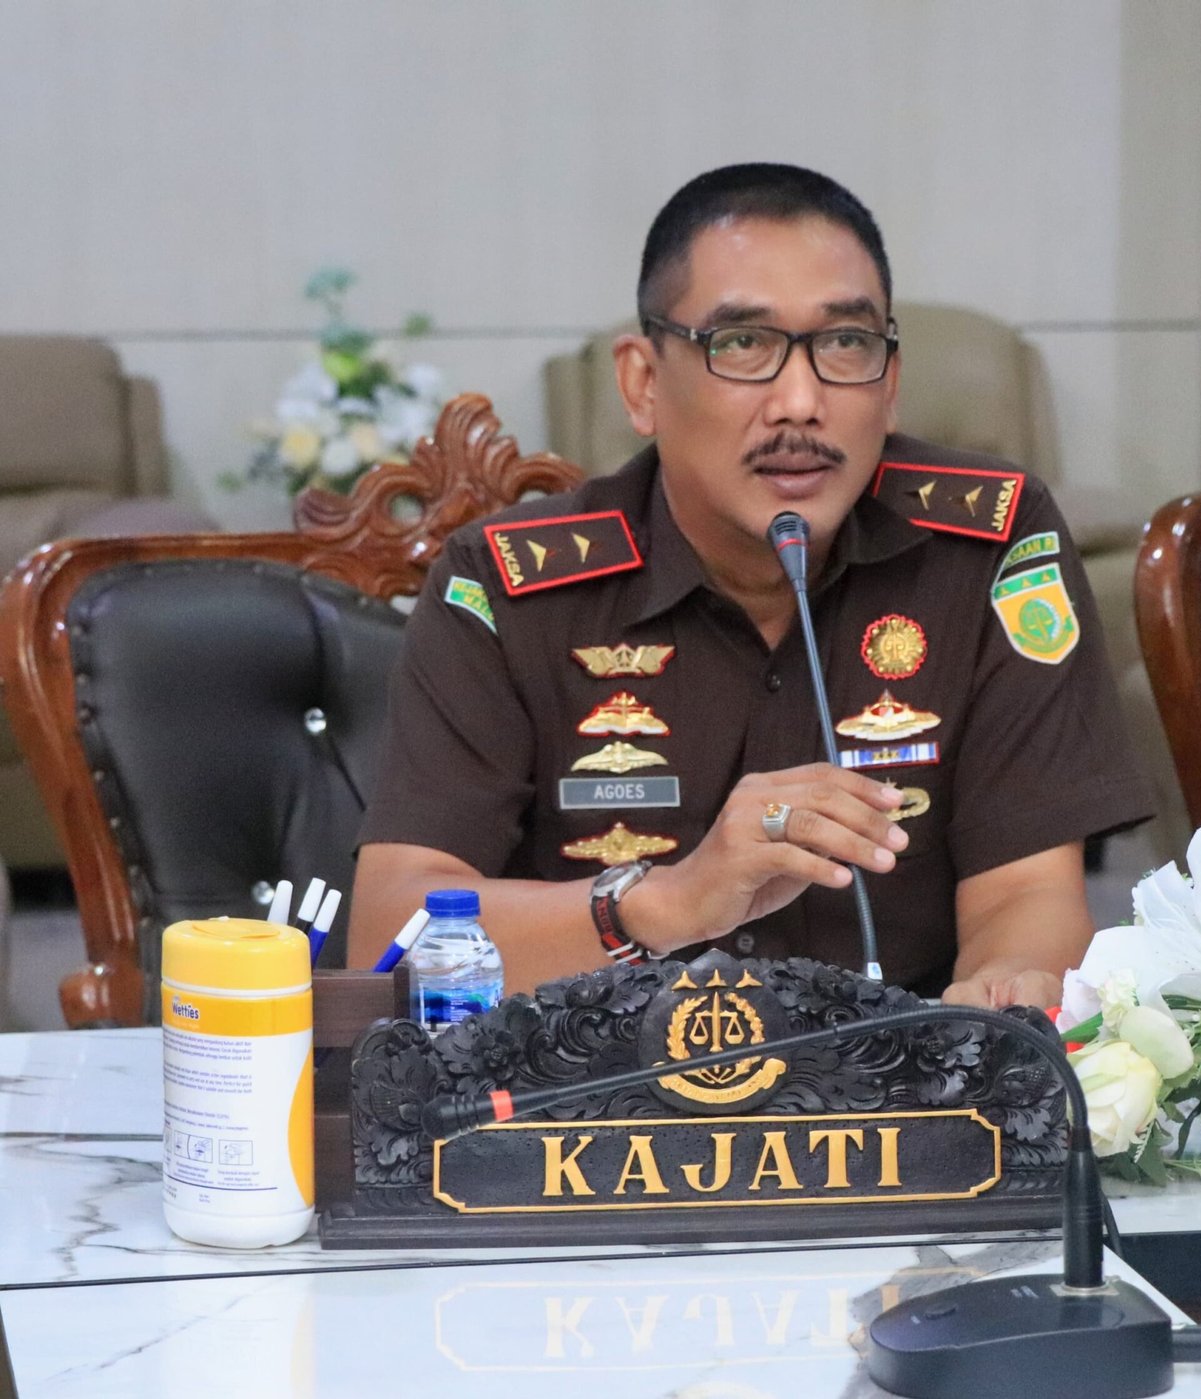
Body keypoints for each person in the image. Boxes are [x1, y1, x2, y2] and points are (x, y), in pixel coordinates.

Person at [349, 163, 1152, 1010]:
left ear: (890, 382)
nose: (800, 403)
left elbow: (1027, 891)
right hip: (594, 1085)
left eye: (845, 343)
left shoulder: (988, 548)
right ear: (643, 383)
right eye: (742, 345)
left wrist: (999, 993)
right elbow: (390, 934)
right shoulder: (507, 588)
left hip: (895, 1076)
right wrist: (665, 903)